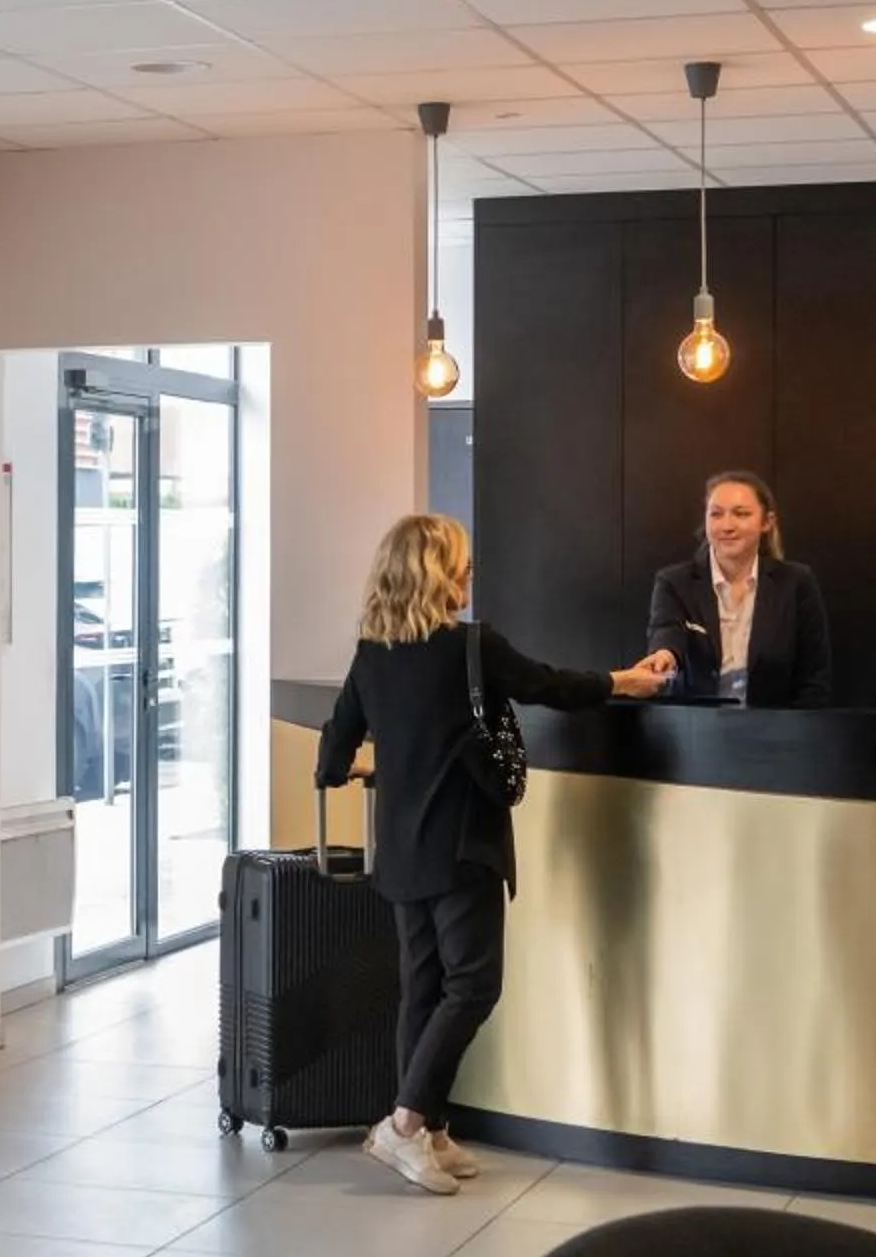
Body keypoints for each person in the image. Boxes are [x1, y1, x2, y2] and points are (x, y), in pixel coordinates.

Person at [315, 514, 663, 1196]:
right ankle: (405, 1124)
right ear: (436, 573)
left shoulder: (373, 653)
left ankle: (432, 1129)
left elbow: (336, 748)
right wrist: (626, 680)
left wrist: (365, 767)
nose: (470, 575)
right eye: (462, 564)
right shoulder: (470, 647)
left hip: (403, 850)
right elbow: (550, 685)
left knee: (423, 989)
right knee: (473, 985)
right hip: (463, 844)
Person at [639, 470, 835, 707]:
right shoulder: (674, 582)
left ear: (767, 522)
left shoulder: (796, 582)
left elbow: (814, 678)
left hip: (773, 725)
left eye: (741, 514)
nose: (727, 526)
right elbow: (667, 631)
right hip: (695, 725)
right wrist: (664, 654)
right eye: (716, 514)